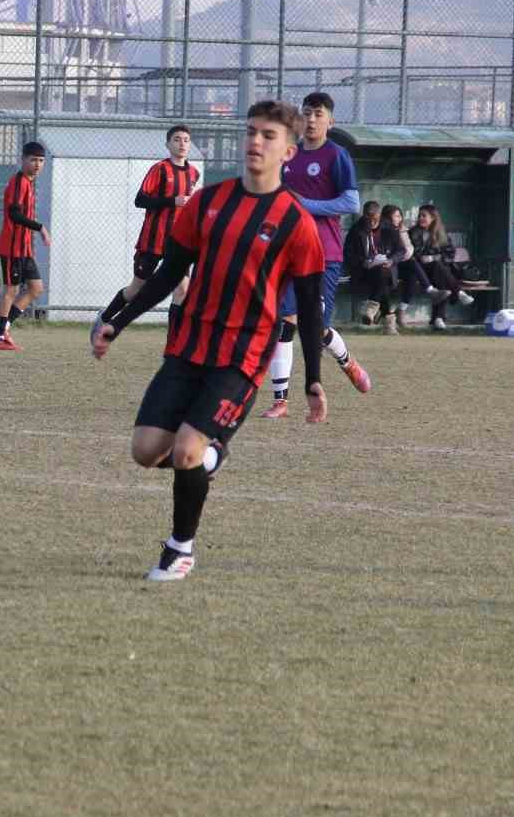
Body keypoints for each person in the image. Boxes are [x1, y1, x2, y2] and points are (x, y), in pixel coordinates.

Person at [90, 99, 328, 582]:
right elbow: (168, 274)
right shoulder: (208, 201)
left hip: (241, 358)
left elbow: (306, 309)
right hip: (188, 348)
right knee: (145, 450)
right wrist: (120, 320)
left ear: (288, 151)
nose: (255, 142)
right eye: (251, 132)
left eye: (268, 136)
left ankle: (180, 549)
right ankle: (213, 455)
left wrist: (313, 381)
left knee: (185, 450)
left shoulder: (296, 222)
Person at [264, 91, 370, 418]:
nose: (311, 120)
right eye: (307, 113)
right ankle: (280, 400)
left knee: (316, 329)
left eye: (318, 114)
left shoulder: (336, 156)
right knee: (283, 322)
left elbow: (351, 203)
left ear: (330, 120)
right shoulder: (288, 155)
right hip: (288, 252)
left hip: (324, 253)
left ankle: (346, 361)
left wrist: (306, 205)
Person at [91, 125, 200, 349]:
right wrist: (173, 201)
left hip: (178, 244)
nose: (182, 144)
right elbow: (140, 200)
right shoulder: (159, 169)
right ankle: (104, 319)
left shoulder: (193, 173)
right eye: (177, 139)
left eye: (186, 140)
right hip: (152, 241)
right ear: (168, 144)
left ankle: (174, 342)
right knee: (136, 289)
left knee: (182, 289)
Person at [0, 141, 50, 351]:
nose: (37, 164)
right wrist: (40, 227)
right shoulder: (18, 182)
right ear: (23, 159)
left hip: (24, 249)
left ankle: (4, 326)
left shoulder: (28, 183)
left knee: (35, 288)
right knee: (11, 290)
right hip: (12, 247)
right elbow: (14, 214)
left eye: (41, 160)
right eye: (33, 159)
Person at [409, 202, 473, 331]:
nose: (420, 218)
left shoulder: (441, 233)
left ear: (433, 218)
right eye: (419, 215)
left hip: (438, 268)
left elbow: (450, 254)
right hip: (420, 270)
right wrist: (425, 257)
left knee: (439, 271)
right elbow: (413, 252)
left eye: (424, 216)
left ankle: (438, 318)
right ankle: (458, 293)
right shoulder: (413, 232)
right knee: (440, 270)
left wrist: (434, 257)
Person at [344, 199, 400, 333]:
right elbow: (348, 253)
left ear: (379, 215)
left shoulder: (389, 228)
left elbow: (400, 250)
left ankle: (372, 308)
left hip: (386, 267)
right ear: (364, 215)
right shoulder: (356, 229)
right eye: (368, 219)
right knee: (383, 280)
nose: (371, 223)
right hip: (364, 271)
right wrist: (364, 262)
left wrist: (391, 260)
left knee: (383, 273)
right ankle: (389, 324)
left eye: (374, 219)